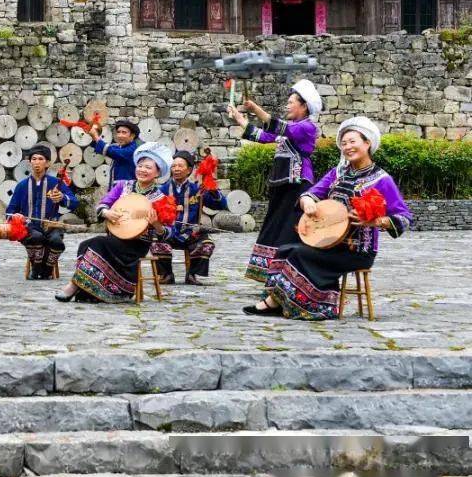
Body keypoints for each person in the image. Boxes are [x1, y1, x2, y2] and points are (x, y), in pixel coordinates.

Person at [246, 117, 412, 320]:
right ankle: (281, 301)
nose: (348, 147)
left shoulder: (381, 179)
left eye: (353, 142)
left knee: (300, 254)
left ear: (367, 143)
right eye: (344, 143)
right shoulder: (338, 173)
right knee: (286, 248)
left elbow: (403, 218)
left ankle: (282, 303)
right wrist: (307, 201)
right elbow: (311, 193)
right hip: (329, 242)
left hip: (357, 250)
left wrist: (376, 221)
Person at [228, 79, 321, 283]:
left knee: (289, 228)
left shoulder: (306, 128)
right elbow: (261, 135)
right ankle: (272, 273)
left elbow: (277, 126)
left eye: (291, 102)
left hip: (296, 185)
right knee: (275, 227)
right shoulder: (290, 131)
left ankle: (289, 272)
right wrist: (238, 117)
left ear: (304, 106)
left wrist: (254, 107)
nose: (287, 105)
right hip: (281, 185)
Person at [56, 142, 174, 303]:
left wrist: (156, 225)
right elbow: (102, 205)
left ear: (157, 173)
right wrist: (107, 212)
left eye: (148, 167)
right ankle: (88, 290)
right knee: (85, 244)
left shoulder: (161, 199)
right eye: (140, 166)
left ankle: (74, 286)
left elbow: (167, 233)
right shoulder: (123, 186)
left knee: (98, 242)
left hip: (137, 245)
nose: (142, 170)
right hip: (116, 237)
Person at [152, 151, 227, 285]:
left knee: (206, 244)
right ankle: (166, 274)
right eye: (174, 166)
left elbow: (220, 205)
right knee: (155, 241)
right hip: (169, 232)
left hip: (191, 233)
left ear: (189, 170)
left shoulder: (198, 189)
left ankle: (192, 274)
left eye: (180, 166)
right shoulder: (162, 190)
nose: (176, 169)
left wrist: (213, 190)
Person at [6, 145, 78, 280]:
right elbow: (10, 211)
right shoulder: (21, 185)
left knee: (57, 241)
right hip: (30, 227)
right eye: (34, 159)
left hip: (51, 226)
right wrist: (17, 216)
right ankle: (36, 268)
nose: (37, 162)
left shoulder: (56, 183)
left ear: (48, 163)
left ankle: (47, 270)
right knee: (35, 237)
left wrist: (62, 198)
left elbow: (74, 203)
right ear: (30, 162)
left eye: (40, 159)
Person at [89, 119, 140, 187]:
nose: (120, 135)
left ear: (132, 136)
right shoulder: (120, 147)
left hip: (127, 191)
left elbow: (112, 151)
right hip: (117, 189)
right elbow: (100, 146)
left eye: (124, 132)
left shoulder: (132, 150)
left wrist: (96, 136)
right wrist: (93, 135)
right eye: (118, 132)